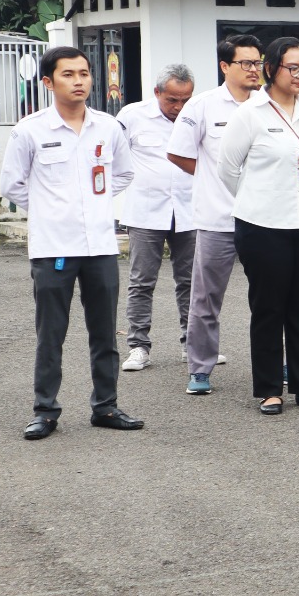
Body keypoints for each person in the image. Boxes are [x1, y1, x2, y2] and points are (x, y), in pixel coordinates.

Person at [0, 46, 140, 440]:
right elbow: (11, 184)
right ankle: (45, 411)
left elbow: (124, 173)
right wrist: (52, 208)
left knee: (104, 332)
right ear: (48, 82)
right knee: (51, 335)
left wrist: (93, 203)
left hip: (100, 246)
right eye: (68, 74)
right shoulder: (30, 130)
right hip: (54, 248)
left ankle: (106, 406)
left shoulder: (107, 127)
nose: (78, 81)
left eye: (84, 73)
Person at [217, 36, 299, 416]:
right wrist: (258, 198)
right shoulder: (250, 114)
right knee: (268, 307)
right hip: (263, 224)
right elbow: (227, 169)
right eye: (293, 68)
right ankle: (269, 389)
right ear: (271, 69)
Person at [167, 34, 261, 394]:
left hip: (264, 220)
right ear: (225, 66)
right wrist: (213, 176)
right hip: (217, 219)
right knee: (205, 299)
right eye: (246, 63)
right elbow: (178, 152)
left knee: (271, 298)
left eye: (258, 63)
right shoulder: (203, 106)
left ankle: (277, 364)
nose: (254, 70)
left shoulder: (268, 105)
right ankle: (200, 369)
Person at [118, 65, 197, 372]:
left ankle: (193, 345)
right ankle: (138, 346)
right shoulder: (131, 116)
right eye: (172, 100)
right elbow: (113, 158)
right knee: (141, 282)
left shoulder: (197, 115)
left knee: (192, 282)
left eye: (185, 100)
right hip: (145, 212)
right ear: (157, 92)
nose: (179, 107)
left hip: (189, 210)